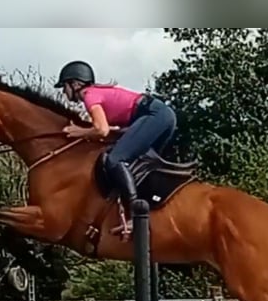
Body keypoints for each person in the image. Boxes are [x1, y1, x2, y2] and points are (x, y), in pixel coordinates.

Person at [54, 60, 177, 238]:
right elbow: (111, 129)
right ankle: (150, 208)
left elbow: (101, 130)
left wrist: (79, 132)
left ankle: (136, 215)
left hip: (154, 115)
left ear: (74, 84)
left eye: (64, 87)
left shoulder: (90, 96)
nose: (64, 93)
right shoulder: (98, 93)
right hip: (162, 115)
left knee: (115, 159)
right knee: (140, 165)